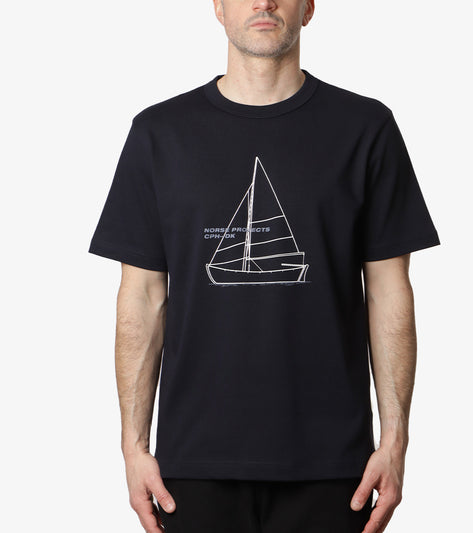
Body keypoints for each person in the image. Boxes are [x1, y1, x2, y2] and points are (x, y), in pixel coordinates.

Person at [88, 1, 440, 532]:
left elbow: (389, 292)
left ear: (309, 7)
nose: (263, 1)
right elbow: (141, 298)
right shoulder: (159, 133)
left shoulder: (366, 128)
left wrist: (395, 442)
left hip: (334, 468)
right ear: (218, 8)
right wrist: (132, 447)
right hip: (192, 467)